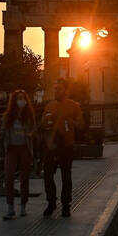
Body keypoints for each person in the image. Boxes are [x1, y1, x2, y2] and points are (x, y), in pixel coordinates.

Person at [41, 78, 85, 218]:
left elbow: (81, 125)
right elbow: (42, 124)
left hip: (66, 146)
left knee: (66, 176)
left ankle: (66, 205)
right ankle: (51, 202)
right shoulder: (49, 106)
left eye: (59, 89)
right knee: (48, 174)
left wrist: (72, 122)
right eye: (55, 89)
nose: (56, 91)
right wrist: (45, 121)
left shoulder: (73, 106)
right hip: (51, 146)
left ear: (65, 90)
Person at [0, 90, 36, 220]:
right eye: (19, 98)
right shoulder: (8, 116)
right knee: (9, 177)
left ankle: (23, 206)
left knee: (24, 178)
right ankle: (10, 208)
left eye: (23, 98)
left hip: (24, 149)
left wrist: (31, 134)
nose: (22, 101)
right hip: (11, 149)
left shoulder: (29, 115)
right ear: (14, 101)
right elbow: (3, 130)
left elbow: (33, 129)